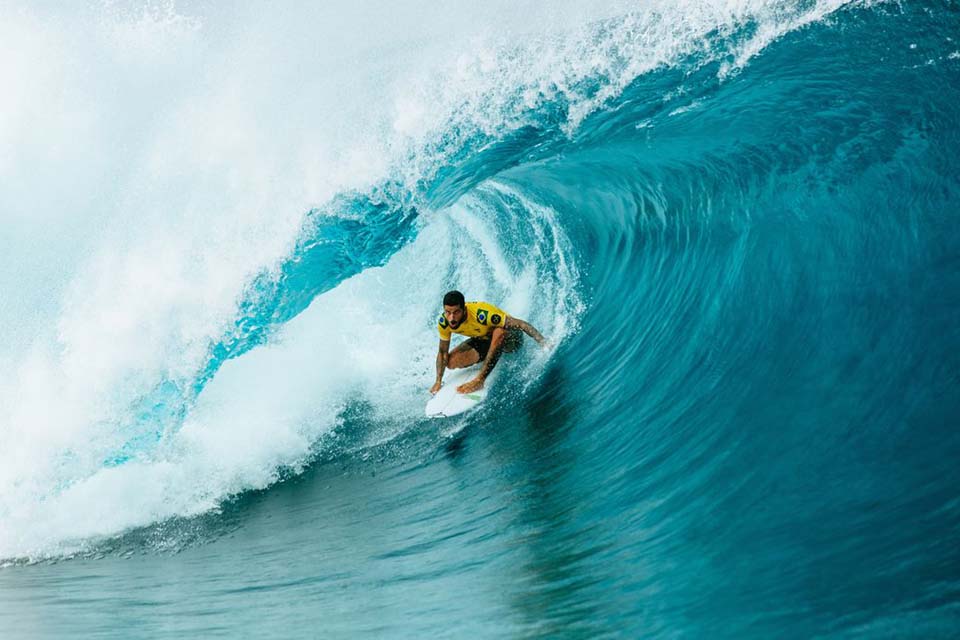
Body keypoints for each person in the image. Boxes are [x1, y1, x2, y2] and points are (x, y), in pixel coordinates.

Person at [430, 290, 548, 395]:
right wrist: (438, 381)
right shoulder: (444, 322)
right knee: (450, 362)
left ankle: (480, 380)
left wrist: (544, 342)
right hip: (484, 339)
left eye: (456, 312)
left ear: (464, 309)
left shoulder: (482, 315)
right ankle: (488, 357)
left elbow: (521, 324)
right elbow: (442, 352)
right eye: (448, 312)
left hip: (511, 340)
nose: (451, 318)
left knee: (498, 331)